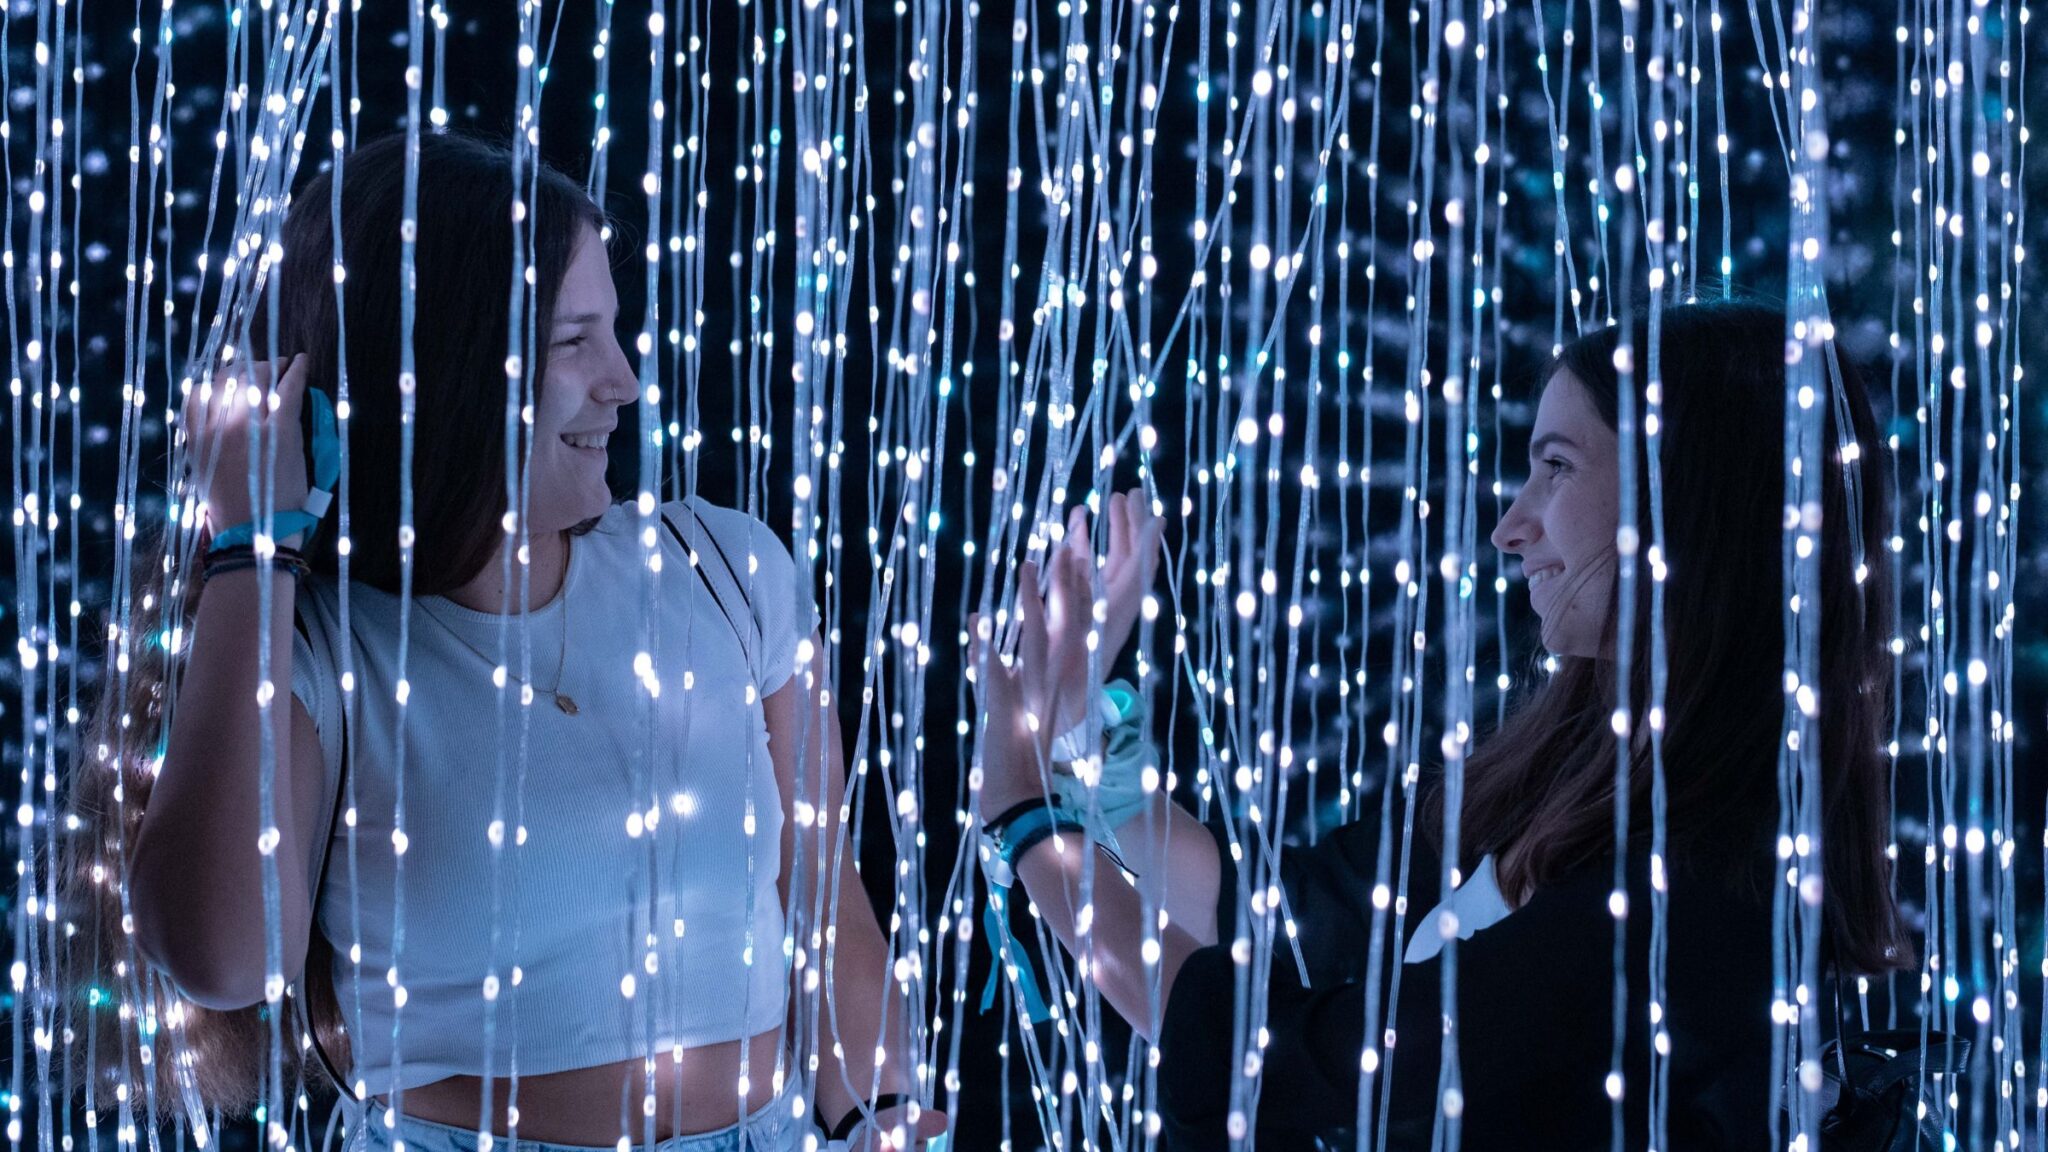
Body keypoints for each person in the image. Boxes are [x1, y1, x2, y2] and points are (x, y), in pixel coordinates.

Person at [65, 133, 945, 1152]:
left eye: (615, 333)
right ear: (447, 370)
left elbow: (826, 893)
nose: (621, 381)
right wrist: (249, 548)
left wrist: (885, 1117)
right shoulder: (319, 643)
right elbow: (222, 957)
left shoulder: (724, 569)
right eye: (576, 342)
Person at [970, 302, 1914, 1149]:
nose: (1510, 526)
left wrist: (1026, 816)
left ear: (1683, 501)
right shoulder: (1568, 776)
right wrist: (1083, 730)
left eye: (1554, 469)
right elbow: (1277, 913)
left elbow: (1269, 1065)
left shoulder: (1689, 888)